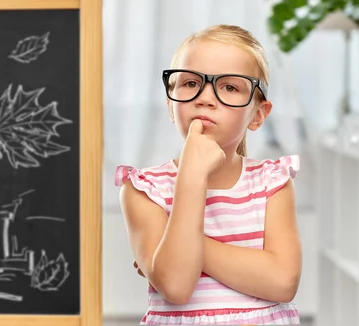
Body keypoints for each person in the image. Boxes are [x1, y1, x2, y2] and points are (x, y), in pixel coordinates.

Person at [115, 24, 302, 325]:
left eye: (230, 87)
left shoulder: (273, 182)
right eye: (190, 83)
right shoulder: (143, 190)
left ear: (258, 115)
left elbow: (282, 282)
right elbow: (176, 285)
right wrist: (191, 174)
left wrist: (179, 243)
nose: (205, 97)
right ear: (170, 102)